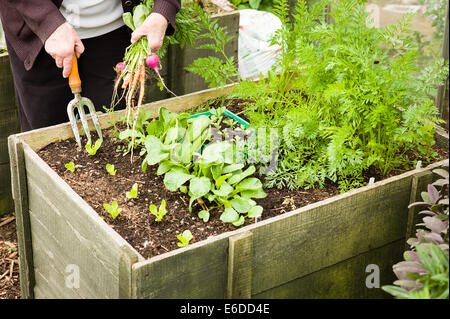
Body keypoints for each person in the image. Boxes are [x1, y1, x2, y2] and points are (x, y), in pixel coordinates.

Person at [0, 0, 181, 132]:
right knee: (45, 146)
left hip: (117, 33)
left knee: (118, 132)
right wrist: (48, 23)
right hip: (40, 34)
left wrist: (163, 8)